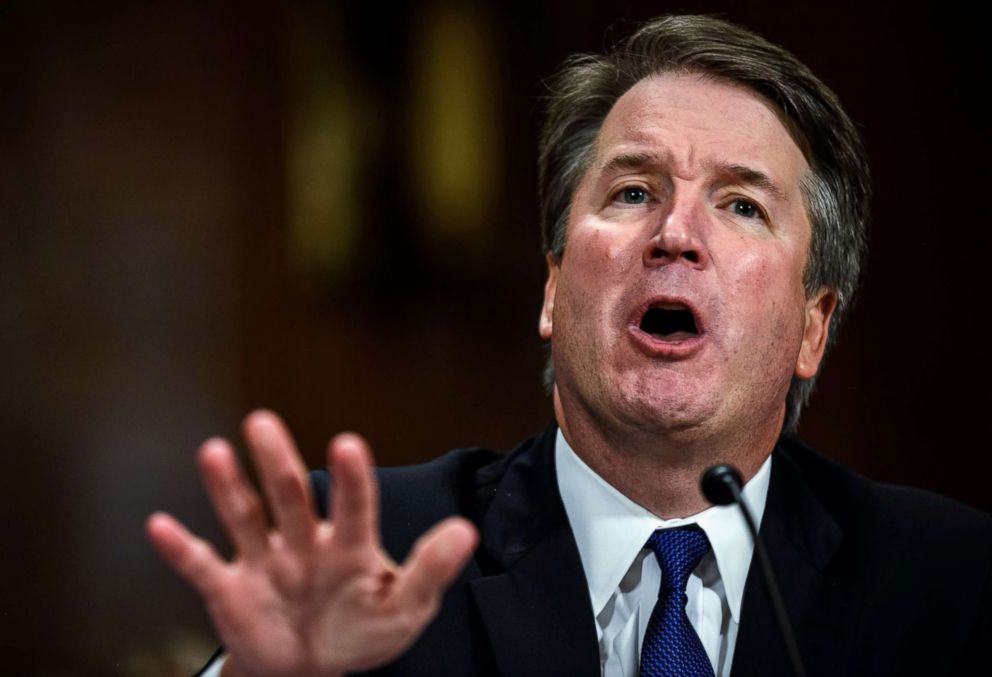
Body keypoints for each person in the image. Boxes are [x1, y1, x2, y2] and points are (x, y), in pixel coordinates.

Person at [146, 14, 991, 677]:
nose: (676, 234)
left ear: (813, 326)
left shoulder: (947, 584)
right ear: (553, 292)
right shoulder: (369, 557)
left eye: (741, 205)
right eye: (632, 190)